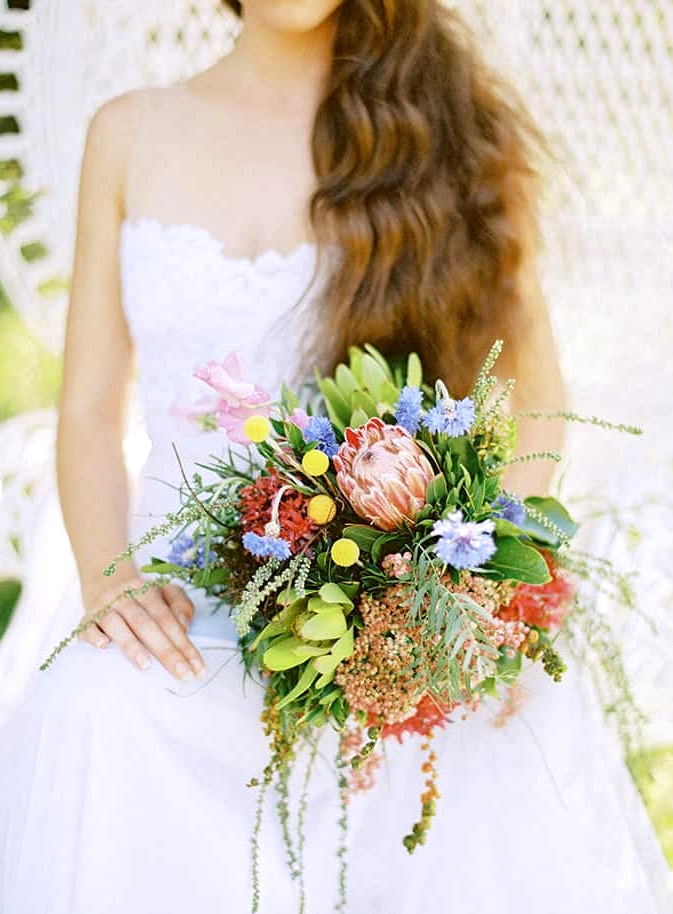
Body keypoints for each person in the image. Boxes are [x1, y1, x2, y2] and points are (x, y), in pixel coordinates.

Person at [1, 1, 671, 912]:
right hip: (186, 598)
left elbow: (537, 393)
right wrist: (108, 583)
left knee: (500, 724)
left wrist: (471, 599)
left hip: (388, 605)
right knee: (94, 699)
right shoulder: (128, 131)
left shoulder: (454, 130)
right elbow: (85, 410)